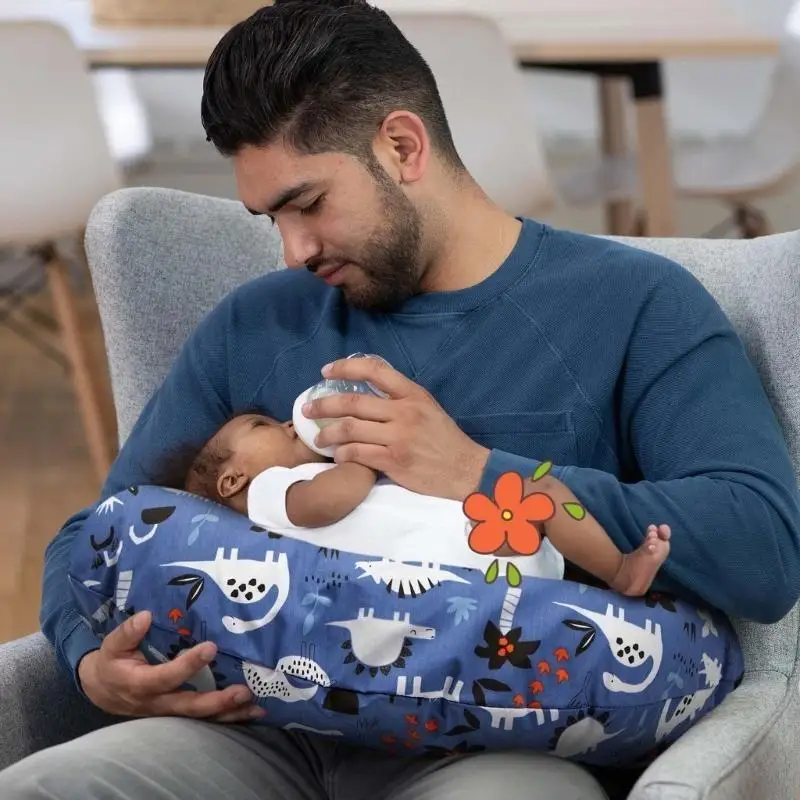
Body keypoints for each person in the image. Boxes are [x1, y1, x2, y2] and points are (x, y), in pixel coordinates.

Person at [1, 0, 799, 798]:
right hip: (255, 730)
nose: (292, 250)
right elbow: (96, 533)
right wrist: (89, 661)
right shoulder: (255, 324)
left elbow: (763, 547)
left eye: (308, 204)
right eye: (272, 217)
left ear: (403, 146)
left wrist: (478, 471)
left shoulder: (635, 304)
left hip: (498, 747)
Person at [181, 409, 672, 594]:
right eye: (262, 426)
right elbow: (330, 502)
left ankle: (618, 571)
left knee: (538, 492)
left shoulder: (305, 476)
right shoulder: (268, 494)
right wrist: (358, 453)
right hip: (444, 571)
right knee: (538, 495)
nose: (287, 424)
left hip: (472, 544)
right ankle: (616, 574)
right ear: (232, 481)